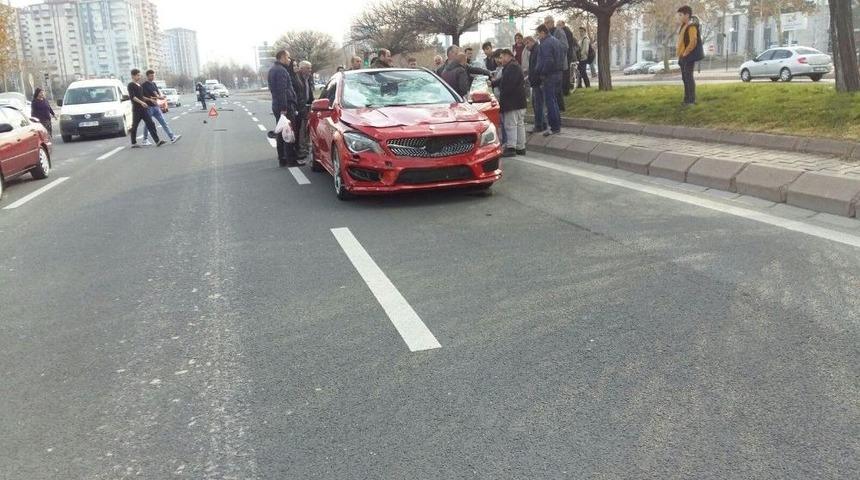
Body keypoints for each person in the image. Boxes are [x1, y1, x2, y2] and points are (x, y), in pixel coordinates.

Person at [490, 49, 527, 157]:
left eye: (502, 57)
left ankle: (511, 147)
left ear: (508, 56)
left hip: (512, 103)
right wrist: (493, 83)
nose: (501, 60)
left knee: (510, 125)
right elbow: (502, 80)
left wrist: (500, 90)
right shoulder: (513, 66)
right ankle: (521, 147)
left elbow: (507, 84)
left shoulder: (511, 68)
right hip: (519, 102)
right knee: (519, 125)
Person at [268, 50, 298, 166]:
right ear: (282, 57)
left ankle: (282, 158)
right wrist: (284, 108)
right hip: (285, 106)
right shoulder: (281, 71)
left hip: (277, 104)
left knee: (281, 132)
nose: (289, 60)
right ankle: (290, 160)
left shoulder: (273, 69)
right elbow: (282, 90)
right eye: (288, 57)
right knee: (288, 132)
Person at [535, 24, 563, 137]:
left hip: (549, 75)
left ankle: (554, 126)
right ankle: (557, 125)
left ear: (543, 32)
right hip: (558, 73)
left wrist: (541, 72)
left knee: (550, 102)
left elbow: (548, 60)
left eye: (538, 34)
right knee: (554, 100)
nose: (538, 36)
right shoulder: (556, 41)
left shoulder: (545, 43)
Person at [141, 69, 180, 145]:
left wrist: (160, 97)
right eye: (151, 76)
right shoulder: (144, 85)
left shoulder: (154, 84)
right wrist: (153, 99)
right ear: (147, 76)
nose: (153, 77)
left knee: (163, 122)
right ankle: (145, 139)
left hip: (156, 107)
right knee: (147, 124)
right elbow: (142, 96)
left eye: (153, 75)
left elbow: (157, 94)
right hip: (149, 107)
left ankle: (172, 137)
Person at [127, 69, 164, 148]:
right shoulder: (131, 85)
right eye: (137, 75)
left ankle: (157, 141)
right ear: (133, 76)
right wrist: (142, 102)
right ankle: (133, 143)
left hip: (144, 109)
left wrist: (149, 99)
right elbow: (133, 97)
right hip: (137, 110)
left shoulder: (139, 85)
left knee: (151, 123)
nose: (139, 77)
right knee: (135, 126)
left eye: (139, 75)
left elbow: (142, 96)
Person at [677, 5, 703, 106]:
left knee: (688, 78)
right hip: (682, 56)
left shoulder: (691, 26)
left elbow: (693, 42)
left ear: (687, 15)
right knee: (685, 78)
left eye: (680, 15)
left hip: (688, 56)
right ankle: (686, 100)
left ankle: (691, 101)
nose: (679, 17)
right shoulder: (684, 26)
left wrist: (685, 53)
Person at [544, 16, 568, 111]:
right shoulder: (548, 34)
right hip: (552, 65)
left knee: (557, 88)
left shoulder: (559, 31)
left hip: (558, 64)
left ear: (551, 23)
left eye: (547, 23)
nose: (545, 25)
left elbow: (565, 46)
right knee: (555, 89)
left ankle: (560, 108)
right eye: (545, 23)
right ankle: (558, 108)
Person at [525, 36, 546, 135]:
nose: (526, 46)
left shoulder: (537, 50)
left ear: (533, 42)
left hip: (537, 81)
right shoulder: (534, 50)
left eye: (527, 43)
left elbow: (537, 67)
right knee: (538, 104)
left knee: (537, 104)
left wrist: (535, 76)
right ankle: (543, 123)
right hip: (536, 81)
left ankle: (539, 125)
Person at [295, 60, 314, 159]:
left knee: (307, 128)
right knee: (301, 129)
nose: (310, 70)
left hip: (308, 106)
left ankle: (306, 147)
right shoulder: (296, 78)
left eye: (310, 68)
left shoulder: (309, 78)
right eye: (308, 68)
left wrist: (312, 102)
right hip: (300, 107)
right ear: (301, 69)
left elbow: (309, 91)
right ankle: (301, 149)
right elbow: (297, 94)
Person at [558, 21, 579, 95]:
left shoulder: (565, 31)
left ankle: (565, 90)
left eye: (559, 25)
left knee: (566, 72)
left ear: (563, 24)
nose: (558, 26)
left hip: (567, 54)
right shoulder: (567, 31)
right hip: (569, 53)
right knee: (566, 72)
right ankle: (566, 89)